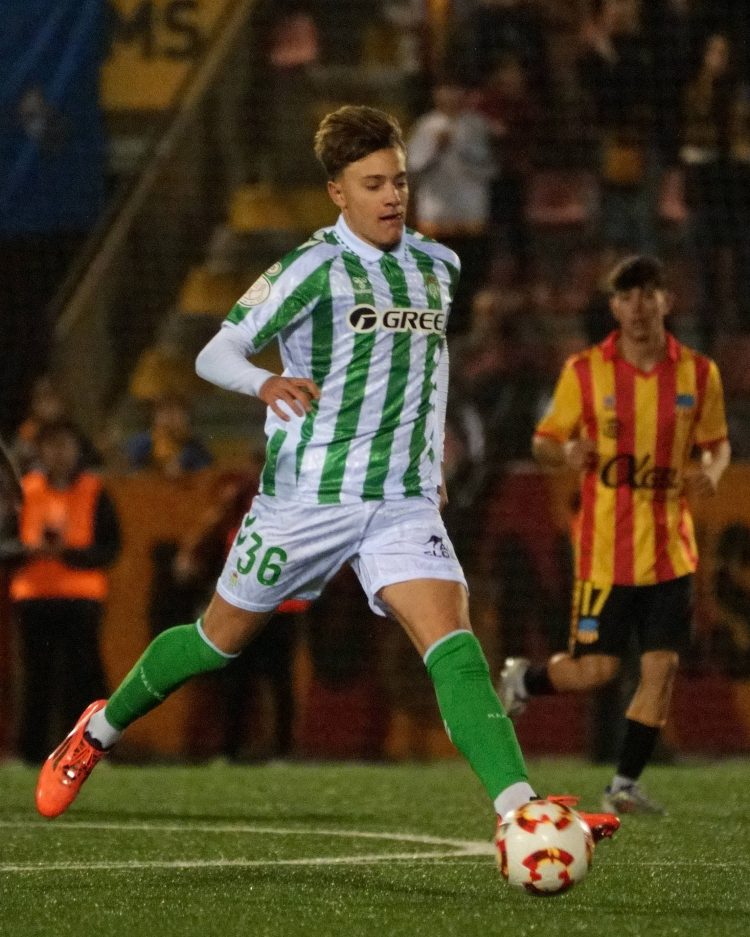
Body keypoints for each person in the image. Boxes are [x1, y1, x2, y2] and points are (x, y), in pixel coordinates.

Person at [34, 105, 618, 843]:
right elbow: (217, 351)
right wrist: (264, 384)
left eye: (399, 180)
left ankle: (521, 811)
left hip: (400, 500)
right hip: (305, 499)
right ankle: (98, 729)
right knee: (217, 641)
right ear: (338, 193)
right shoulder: (312, 269)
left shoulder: (439, 266)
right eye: (373, 183)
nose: (392, 196)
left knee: (455, 646)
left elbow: (427, 372)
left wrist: (430, 457)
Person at [499, 254, 731, 814]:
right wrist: (565, 451)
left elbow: (717, 442)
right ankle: (524, 679)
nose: (639, 307)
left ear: (666, 303)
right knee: (595, 671)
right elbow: (543, 441)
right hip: (604, 555)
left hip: (672, 552)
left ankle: (623, 784)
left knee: (662, 668)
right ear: (613, 307)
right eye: (628, 297)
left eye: (650, 294)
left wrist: (715, 469)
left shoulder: (699, 373)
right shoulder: (585, 371)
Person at [4, 420, 121, 763]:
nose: (60, 454)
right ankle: (32, 755)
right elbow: (5, 544)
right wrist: (31, 550)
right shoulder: (25, 490)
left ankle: (92, 752)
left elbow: (111, 548)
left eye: (66, 445)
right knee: (37, 679)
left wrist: (69, 554)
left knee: (84, 678)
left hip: (81, 600)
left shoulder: (94, 490)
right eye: (52, 446)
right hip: (34, 599)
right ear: (41, 451)